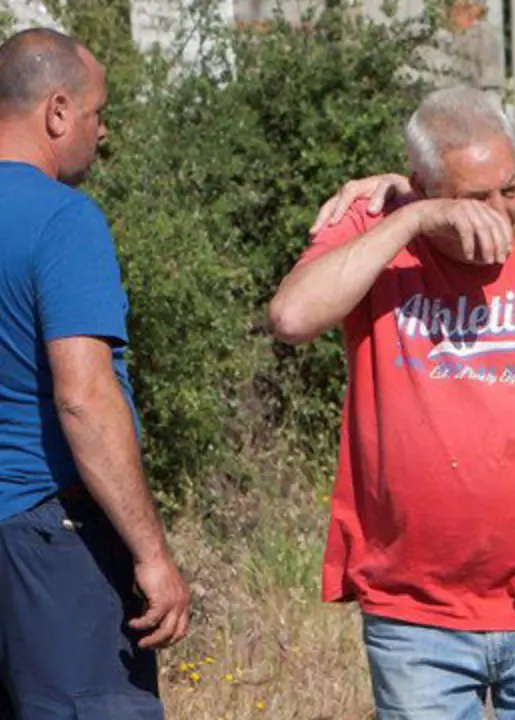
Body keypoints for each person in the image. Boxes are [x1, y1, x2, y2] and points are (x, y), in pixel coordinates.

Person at [269, 86, 515, 718]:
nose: (499, 213)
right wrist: (408, 220)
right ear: (423, 188)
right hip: (416, 615)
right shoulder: (380, 240)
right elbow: (292, 317)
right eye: (474, 199)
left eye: (511, 190)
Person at [0, 29, 190, 719]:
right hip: (53, 542)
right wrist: (152, 554)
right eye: (96, 113)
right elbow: (83, 397)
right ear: (55, 112)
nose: (101, 132)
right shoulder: (63, 220)